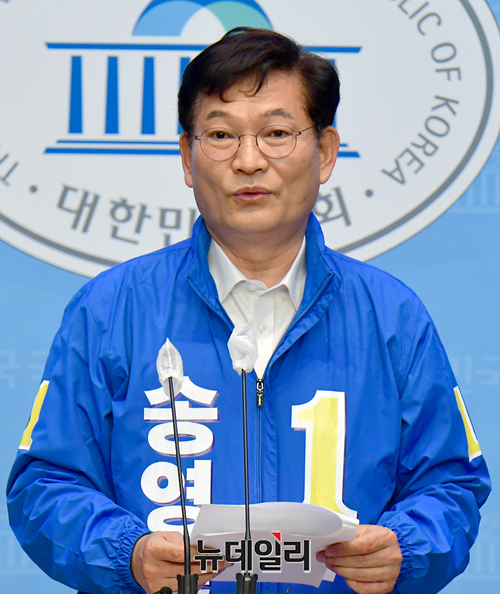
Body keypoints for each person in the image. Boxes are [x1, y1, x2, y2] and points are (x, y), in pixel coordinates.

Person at [7, 27, 490, 594]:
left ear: (325, 152)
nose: (249, 160)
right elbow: (44, 486)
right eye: (220, 135)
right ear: (187, 158)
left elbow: (451, 486)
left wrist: (406, 548)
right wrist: (128, 553)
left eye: (277, 133)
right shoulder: (112, 309)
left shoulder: (392, 318)